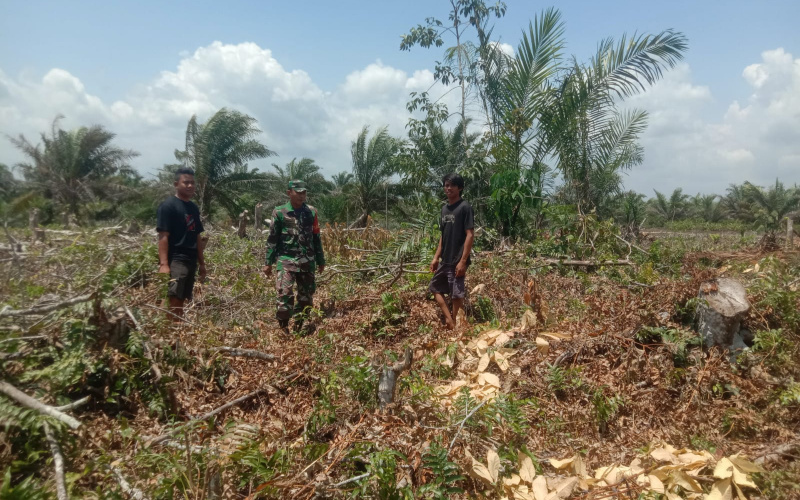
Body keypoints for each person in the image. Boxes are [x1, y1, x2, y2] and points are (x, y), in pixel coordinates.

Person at [262, 180, 326, 334]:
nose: (301, 196)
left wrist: (321, 260)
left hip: (307, 261)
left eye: (304, 192)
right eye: (298, 192)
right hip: (286, 260)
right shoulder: (279, 212)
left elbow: (316, 237)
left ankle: (299, 326)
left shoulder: (311, 212)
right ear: (289, 193)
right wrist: (268, 262)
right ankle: (283, 327)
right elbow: (272, 238)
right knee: (284, 293)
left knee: (306, 298)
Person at [157, 168, 207, 322]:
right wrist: (164, 264)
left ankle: (175, 328)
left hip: (191, 259)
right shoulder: (168, 206)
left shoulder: (193, 208)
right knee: (173, 296)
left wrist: (202, 263)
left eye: (192, 183)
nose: (190, 186)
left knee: (182, 297)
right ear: (176, 184)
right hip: (176, 259)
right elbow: (163, 236)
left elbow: (197, 236)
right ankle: (167, 329)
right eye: (186, 182)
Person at [429, 173, 474, 330]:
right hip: (445, 259)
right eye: (446, 185)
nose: (448, 188)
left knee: (456, 295)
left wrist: (463, 261)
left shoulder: (465, 207)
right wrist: (436, 257)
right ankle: (450, 321)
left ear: (459, 188)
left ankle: (457, 327)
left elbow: (470, 235)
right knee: (434, 287)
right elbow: (443, 236)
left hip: (458, 260)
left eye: (452, 185)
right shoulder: (444, 209)